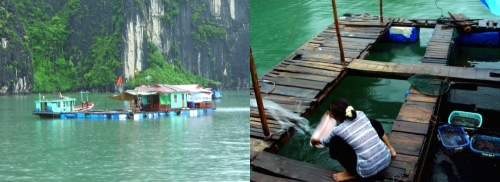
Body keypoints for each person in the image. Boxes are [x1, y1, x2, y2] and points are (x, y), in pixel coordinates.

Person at [311, 98, 397, 181]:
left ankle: (350, 173)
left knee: (334, 142)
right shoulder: (361, 114)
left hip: (368, 171)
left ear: (337, 117)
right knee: (373, 123)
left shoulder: (338, 130)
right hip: (386, 158)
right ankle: (391, 149)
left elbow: (324, 142)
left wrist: (314, 140)